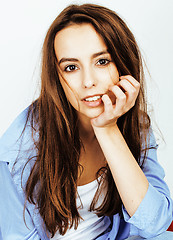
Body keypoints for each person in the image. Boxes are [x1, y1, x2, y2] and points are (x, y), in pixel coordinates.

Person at [0, 3, 172, 240]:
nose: (88, 81)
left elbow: (155, 224)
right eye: (71, 67)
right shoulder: (18, 150)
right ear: (57, 77)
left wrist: (107, 129)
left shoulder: (136, 125)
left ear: (123, 63)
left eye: (102, 61)